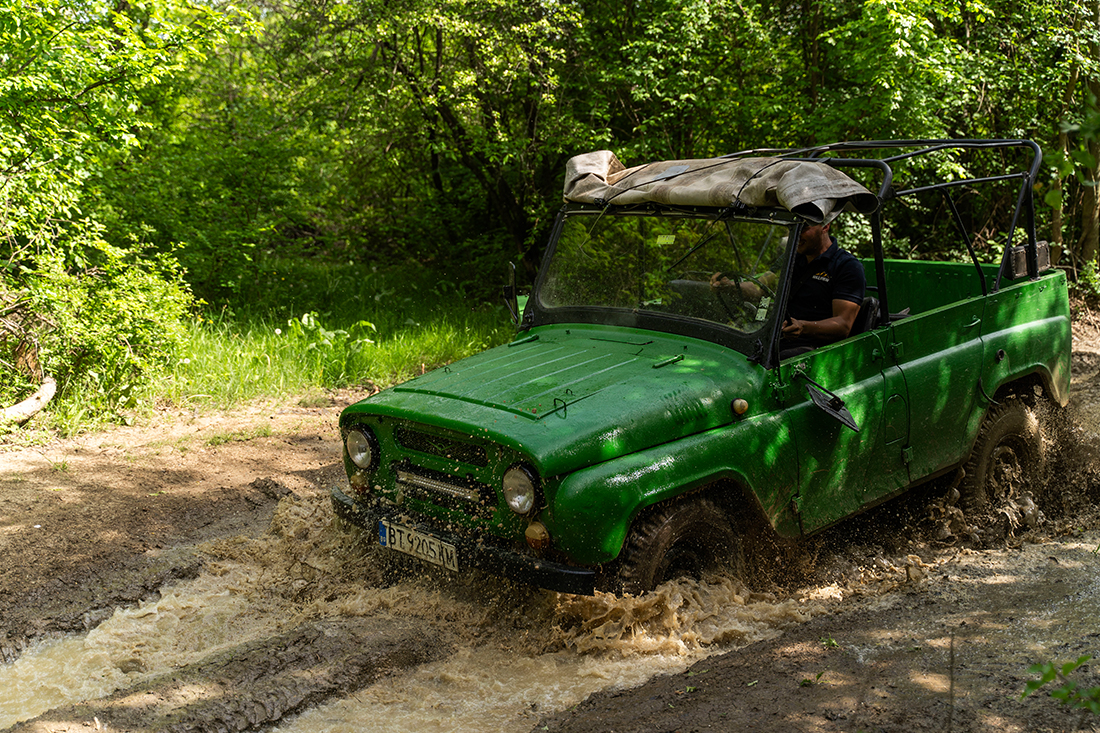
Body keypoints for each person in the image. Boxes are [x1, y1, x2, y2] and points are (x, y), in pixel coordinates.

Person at [779, 222, 865, 354]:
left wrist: (803, 327)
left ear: (825, 226)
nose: (796, 235)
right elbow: (761, 285)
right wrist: (737, 286)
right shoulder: (791, 258)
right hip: (776, 339)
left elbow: (843, 325)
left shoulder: (847, 266)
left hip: (815, 350)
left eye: (803, 229)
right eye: (792, 228)